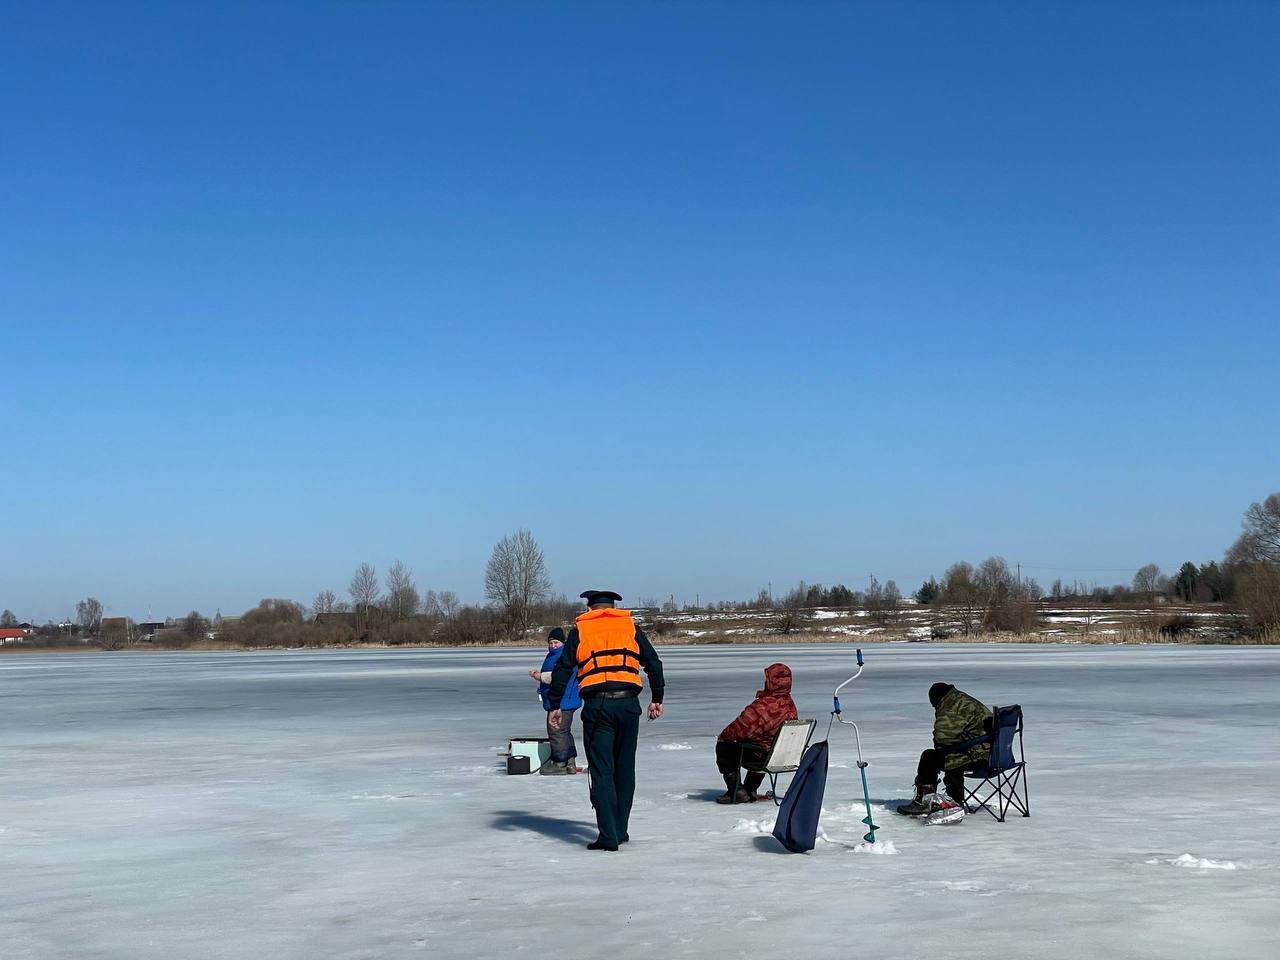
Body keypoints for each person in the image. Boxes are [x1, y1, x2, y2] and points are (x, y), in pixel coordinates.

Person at [547, 590, 665, 851]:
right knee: (625, 769)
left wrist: (555, 704)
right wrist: (657, 697)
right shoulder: (630, 627)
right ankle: (620, 830)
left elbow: (563, 669)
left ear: (590, 609)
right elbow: (653, 663)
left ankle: (608, 835)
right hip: (628, 705)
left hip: (598, 707)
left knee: (602, 770)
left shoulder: (581, 630)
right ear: (613, 608)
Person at [896, 682, 993, 815]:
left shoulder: (951, 706)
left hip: (979, 756)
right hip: (993, 755)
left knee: (929, 757)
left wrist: (941, 747)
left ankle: (924, 801)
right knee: (951, 755)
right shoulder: (961, 698)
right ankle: (954, 799)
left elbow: (942, 736)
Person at [714, 663, 798, 804]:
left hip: (763, 757)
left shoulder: (765, 706)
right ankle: (750, 789)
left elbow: (738, 729)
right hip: (781, 755)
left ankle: (737, 791)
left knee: (725, 746)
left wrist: (724, 737)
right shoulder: (789, 704)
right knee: (759, 744)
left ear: (772, 682)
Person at [529, 627, 580, 775]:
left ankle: (560, 763)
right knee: (564, 731)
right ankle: (570, 763)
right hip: (561, 700)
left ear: (563, 642)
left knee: (556, 731)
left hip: (563, 701)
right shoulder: (554, 655)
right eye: (550, 643)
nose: (553, 645)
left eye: (556, 642)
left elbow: (556, 677)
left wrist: (538, 676)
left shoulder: (564, 655)